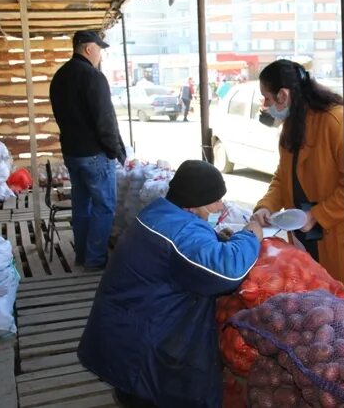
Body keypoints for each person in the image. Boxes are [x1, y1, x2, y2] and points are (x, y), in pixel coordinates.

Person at [77, 160, 263, 408]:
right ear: (195, 204)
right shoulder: (182, 232)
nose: (222, 206)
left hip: (124, 327)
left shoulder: (159, 212)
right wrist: (250, 235)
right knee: (149, 393)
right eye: (216, 200)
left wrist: (217, 239)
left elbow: (185, 251)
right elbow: (228, 271)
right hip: (142, 344)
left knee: (133, 391)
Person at [251, 59, 344, 324]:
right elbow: (284, 176)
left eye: (267, 98)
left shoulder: (335, 119)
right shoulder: (293, 123)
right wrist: (265, 206)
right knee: (328, 316)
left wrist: (316, 215)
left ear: (283, 95)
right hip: (311, 235)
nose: (265, 106)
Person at [49, 30, 126, 270]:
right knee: (104, 207)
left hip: (72, 153)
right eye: (99, 49)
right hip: (95, 154)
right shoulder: (93, 77)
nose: (100, 54)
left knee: (82, 204)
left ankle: (82, 254)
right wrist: (115, 150)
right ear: (88, 49)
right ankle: (95, 260)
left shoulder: (59, 76)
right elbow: (105, 120)